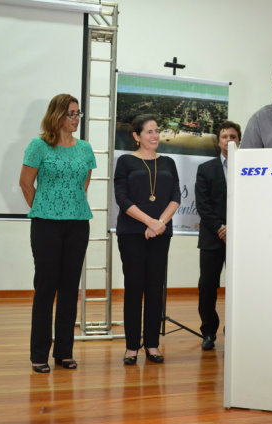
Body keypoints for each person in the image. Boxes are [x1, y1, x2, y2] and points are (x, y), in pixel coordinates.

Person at [19, 94, 96, 373]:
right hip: (46, 225)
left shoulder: (85, 148)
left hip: (77, 224)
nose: (76, 118)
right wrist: (45, 209)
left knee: (68, 289)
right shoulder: (38, 145)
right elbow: (26, 184)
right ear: (57, 116)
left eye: (78, 113)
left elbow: (83, 183)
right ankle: (39, 354)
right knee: (45, 289)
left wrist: (69, 207)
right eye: (71, 114)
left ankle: (64, 352)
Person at [114, 114, 181, 365]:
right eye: (150, 132)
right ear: (136, 136)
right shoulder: (126, 161)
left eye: (157, 131)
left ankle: (152, 344)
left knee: (155, 288)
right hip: (132, 232)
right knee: (134, 287)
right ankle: (132, 346)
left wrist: (160, 223)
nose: (155, 136)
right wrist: (149, 222)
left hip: (161, 233)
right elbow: (122, 198)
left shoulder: (169, 162)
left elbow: (176, 196)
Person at [195, 121, 241, 350]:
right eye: (225, 136)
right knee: (207, 286)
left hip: (241, 239)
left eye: (233, 136)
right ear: (219, 140)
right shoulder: (205, 168)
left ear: (238, 140)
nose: (229, 140)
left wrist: (234, 228)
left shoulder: (248, 168)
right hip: (213, 238)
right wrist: (222, 228)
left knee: (240, 287)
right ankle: (209, 332)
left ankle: (235, 329)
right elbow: (203, 206)